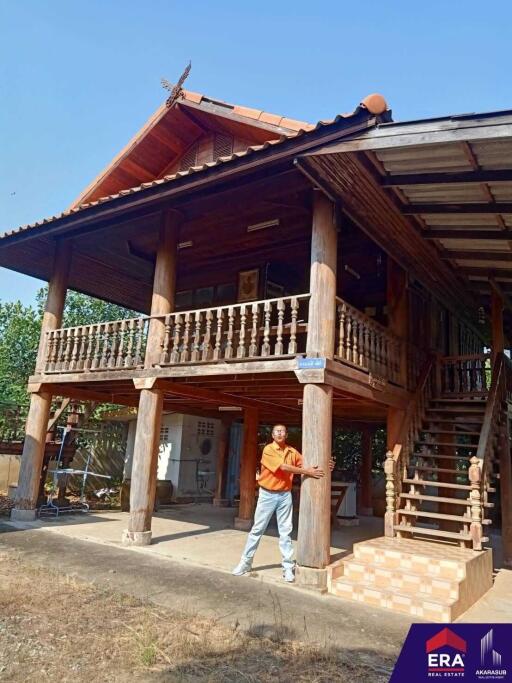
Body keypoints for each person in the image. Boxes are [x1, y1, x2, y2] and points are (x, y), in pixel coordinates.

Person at [232, 424, 334, 583]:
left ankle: (287, 567)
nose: (280, 433)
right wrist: (307, 472)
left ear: (286, 435)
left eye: (283, 431)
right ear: (272, 435)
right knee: (257, 529)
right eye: (277, 431)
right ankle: (245, 562)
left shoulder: (292, 452)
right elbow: (283, 467)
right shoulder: (268, 450)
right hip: (267, 494)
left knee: (285, 532)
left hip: (285, 495)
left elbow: (309, 464)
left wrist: (326, 465)